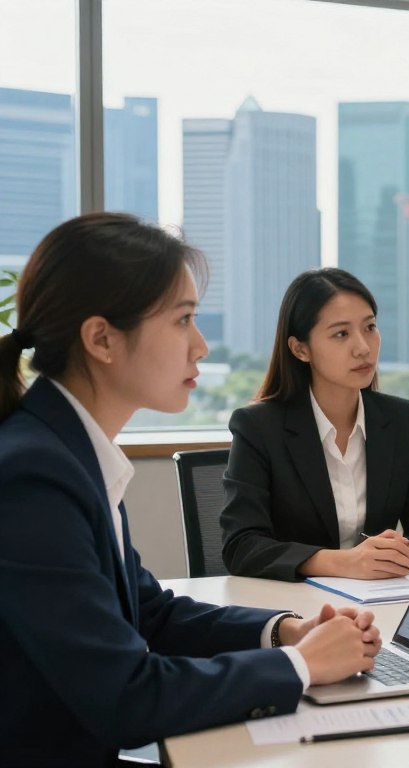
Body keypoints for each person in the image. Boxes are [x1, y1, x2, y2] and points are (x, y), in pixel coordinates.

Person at [0, 213, 381, 765]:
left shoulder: (66, 451)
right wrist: (302, 667)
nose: (200, 346)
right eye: (183, 321)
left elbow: (151, 613)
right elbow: (127, 697)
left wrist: (288, 633)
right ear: (101, 339)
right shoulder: (33, 476)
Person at [221, 268, 409, 581]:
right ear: (300, 349)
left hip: (378, 601)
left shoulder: (399, 419)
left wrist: (403, 554)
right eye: (341, 334)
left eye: (369, 327)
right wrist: (344, 562)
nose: (364, 347)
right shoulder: (258, 427)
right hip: (296, 609)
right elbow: (242, 546)